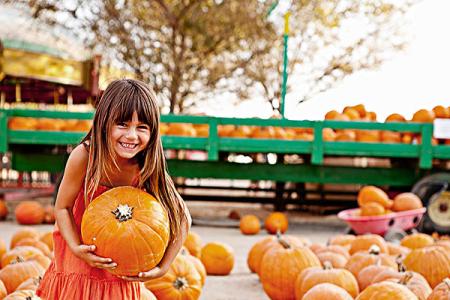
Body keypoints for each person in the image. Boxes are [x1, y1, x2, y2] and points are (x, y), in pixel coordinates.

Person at [37, 79, 192, 299]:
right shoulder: (84, 157)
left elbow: (183, 217)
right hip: (80, 256)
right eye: (122, 124)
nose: (131, 136)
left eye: (142, 128)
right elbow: (62, 207)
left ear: (153, 132)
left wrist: (163, 267)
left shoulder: (146, 166)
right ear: (104, 122)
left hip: (121, 264)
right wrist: (76, 247)